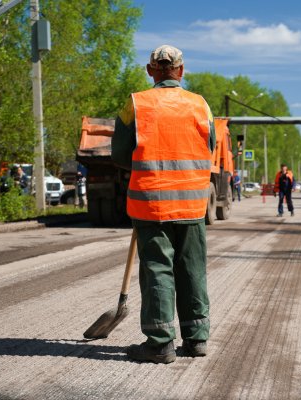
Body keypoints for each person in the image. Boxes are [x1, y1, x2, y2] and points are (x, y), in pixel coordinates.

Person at [111, 45, 215, 364]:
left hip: (151, 203)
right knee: (191, 268)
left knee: (157, 268)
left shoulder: (136, 104)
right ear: (181, 71)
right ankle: (196, 339)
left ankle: (159, 345)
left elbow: (119, 155)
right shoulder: (200, 105)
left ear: (150, 70)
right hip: (193, 205)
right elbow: (210, 146)